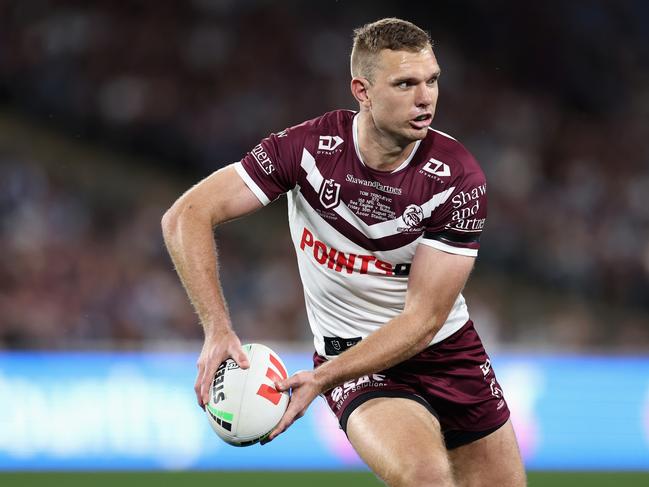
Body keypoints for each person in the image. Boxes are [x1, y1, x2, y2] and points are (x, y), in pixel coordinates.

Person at [162, 17, 526, 487]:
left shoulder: (457, 178)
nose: (426, 97)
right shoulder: (307, 149)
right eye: (405, 83)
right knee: (425, 477)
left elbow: (423, 321)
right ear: (363, 90)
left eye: (432, 80)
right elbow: (185, 215)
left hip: (446, 352)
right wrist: (216, 328)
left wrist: (318, 379)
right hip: (349, 358)